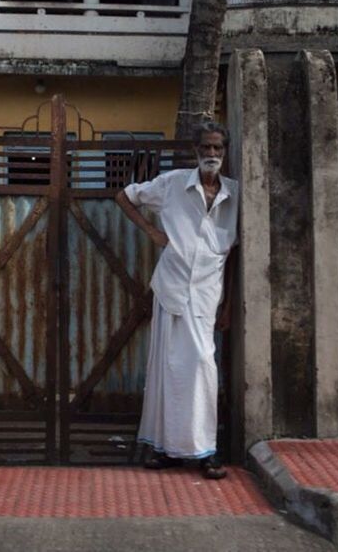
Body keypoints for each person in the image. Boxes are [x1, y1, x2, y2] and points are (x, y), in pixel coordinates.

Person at [114, 121, 238, 480]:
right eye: (206, 148)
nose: (211, 154)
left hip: (206, 297)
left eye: (217, 148)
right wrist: (151, 230)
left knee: (202, 366)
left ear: (225, 152)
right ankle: (164, 448)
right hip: (170, 291)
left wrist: (228, 305)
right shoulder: (171, 184)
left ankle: (205, 450)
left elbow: (234, 256)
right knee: (166, 370)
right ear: (195, 151)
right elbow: (124, 196)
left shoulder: (235, 195)